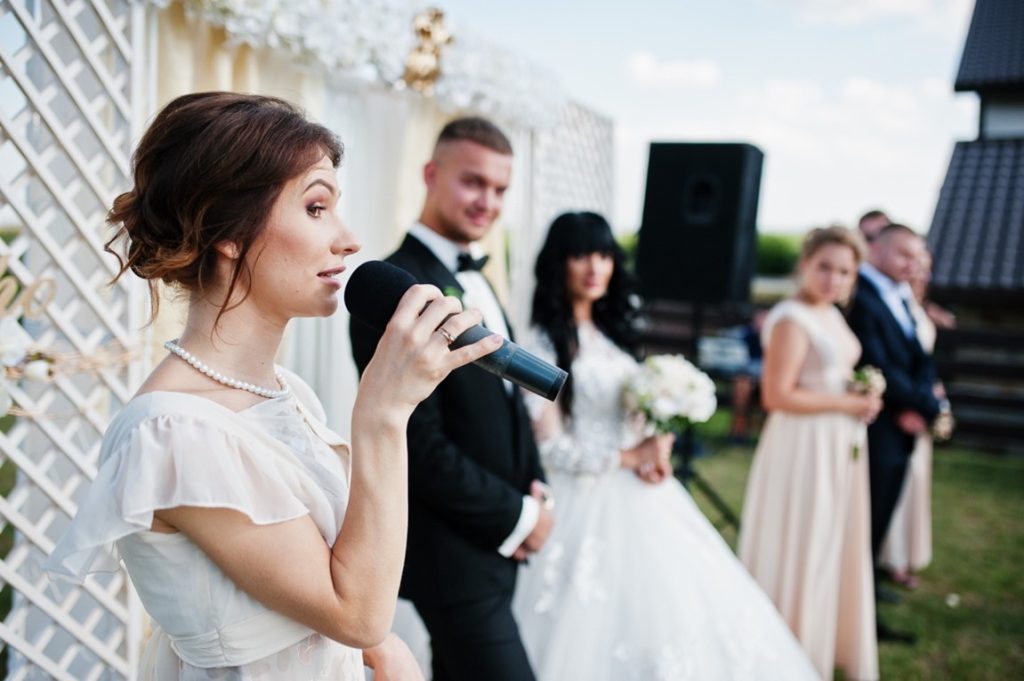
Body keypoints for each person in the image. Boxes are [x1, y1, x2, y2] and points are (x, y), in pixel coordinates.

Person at [43, 92, 501, 680]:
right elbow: (355, 612)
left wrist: (384, 651)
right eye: (316, 208)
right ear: (226, 231)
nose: (349, 239)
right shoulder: (172, 432)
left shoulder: (285, 393)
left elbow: (347, 598)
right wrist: (384, 416)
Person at [512, 212, 818, 681]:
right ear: (558, 265)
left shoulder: (613, 337)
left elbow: (626, 417)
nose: (595, 267)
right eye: (580, 256)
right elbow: (549, 446)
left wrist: (655, 444)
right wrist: (627, 457)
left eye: (603, 255)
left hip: (639, 490)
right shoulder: (541, 345)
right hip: (577, 499)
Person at [350, 117, 550, 681]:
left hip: (497, 547)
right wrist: (517, 516)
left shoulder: (482, 276)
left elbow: (511, 405)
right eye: (473, 182)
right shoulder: (396, 288)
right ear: (431, 174)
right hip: (453, 555)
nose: (488, 201)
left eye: (500, 189)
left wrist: (537, 491)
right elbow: (418, 441)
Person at [739, 225, 882, 680]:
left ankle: (823, 639)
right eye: (825, 267)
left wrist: (862, 396)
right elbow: (776, 396)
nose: (834, 279)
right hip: (802, 448)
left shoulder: (833, 315)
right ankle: (788, 646)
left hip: (838, 447)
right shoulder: (790, 317)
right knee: (804, 539)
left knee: (830, 542)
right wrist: (850, 402)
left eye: (845, 271)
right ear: (805, 264)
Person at [846, 223, 941, 644]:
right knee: (867, 518)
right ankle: (862, 614)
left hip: (904, 424)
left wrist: (927, 405)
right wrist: (918, 405)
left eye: (918, 258)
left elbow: (920, 359)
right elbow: (876, 361)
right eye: (904, 255)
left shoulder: (899, 295)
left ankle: (868, 591)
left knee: (881, 518)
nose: (912, 265)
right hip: (878, 427)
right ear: (878, 251)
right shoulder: (862, 298)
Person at [880, 248, 941, 589]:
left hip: (919, 407)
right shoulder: (896, 305)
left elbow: (922, 363)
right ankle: (890, 556)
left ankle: (903, 554)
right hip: (903, 410)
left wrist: (933, 396)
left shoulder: (914, 309)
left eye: (925, 268)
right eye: (915, 265)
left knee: (914, 481)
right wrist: (919, 404)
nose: (919, 272)